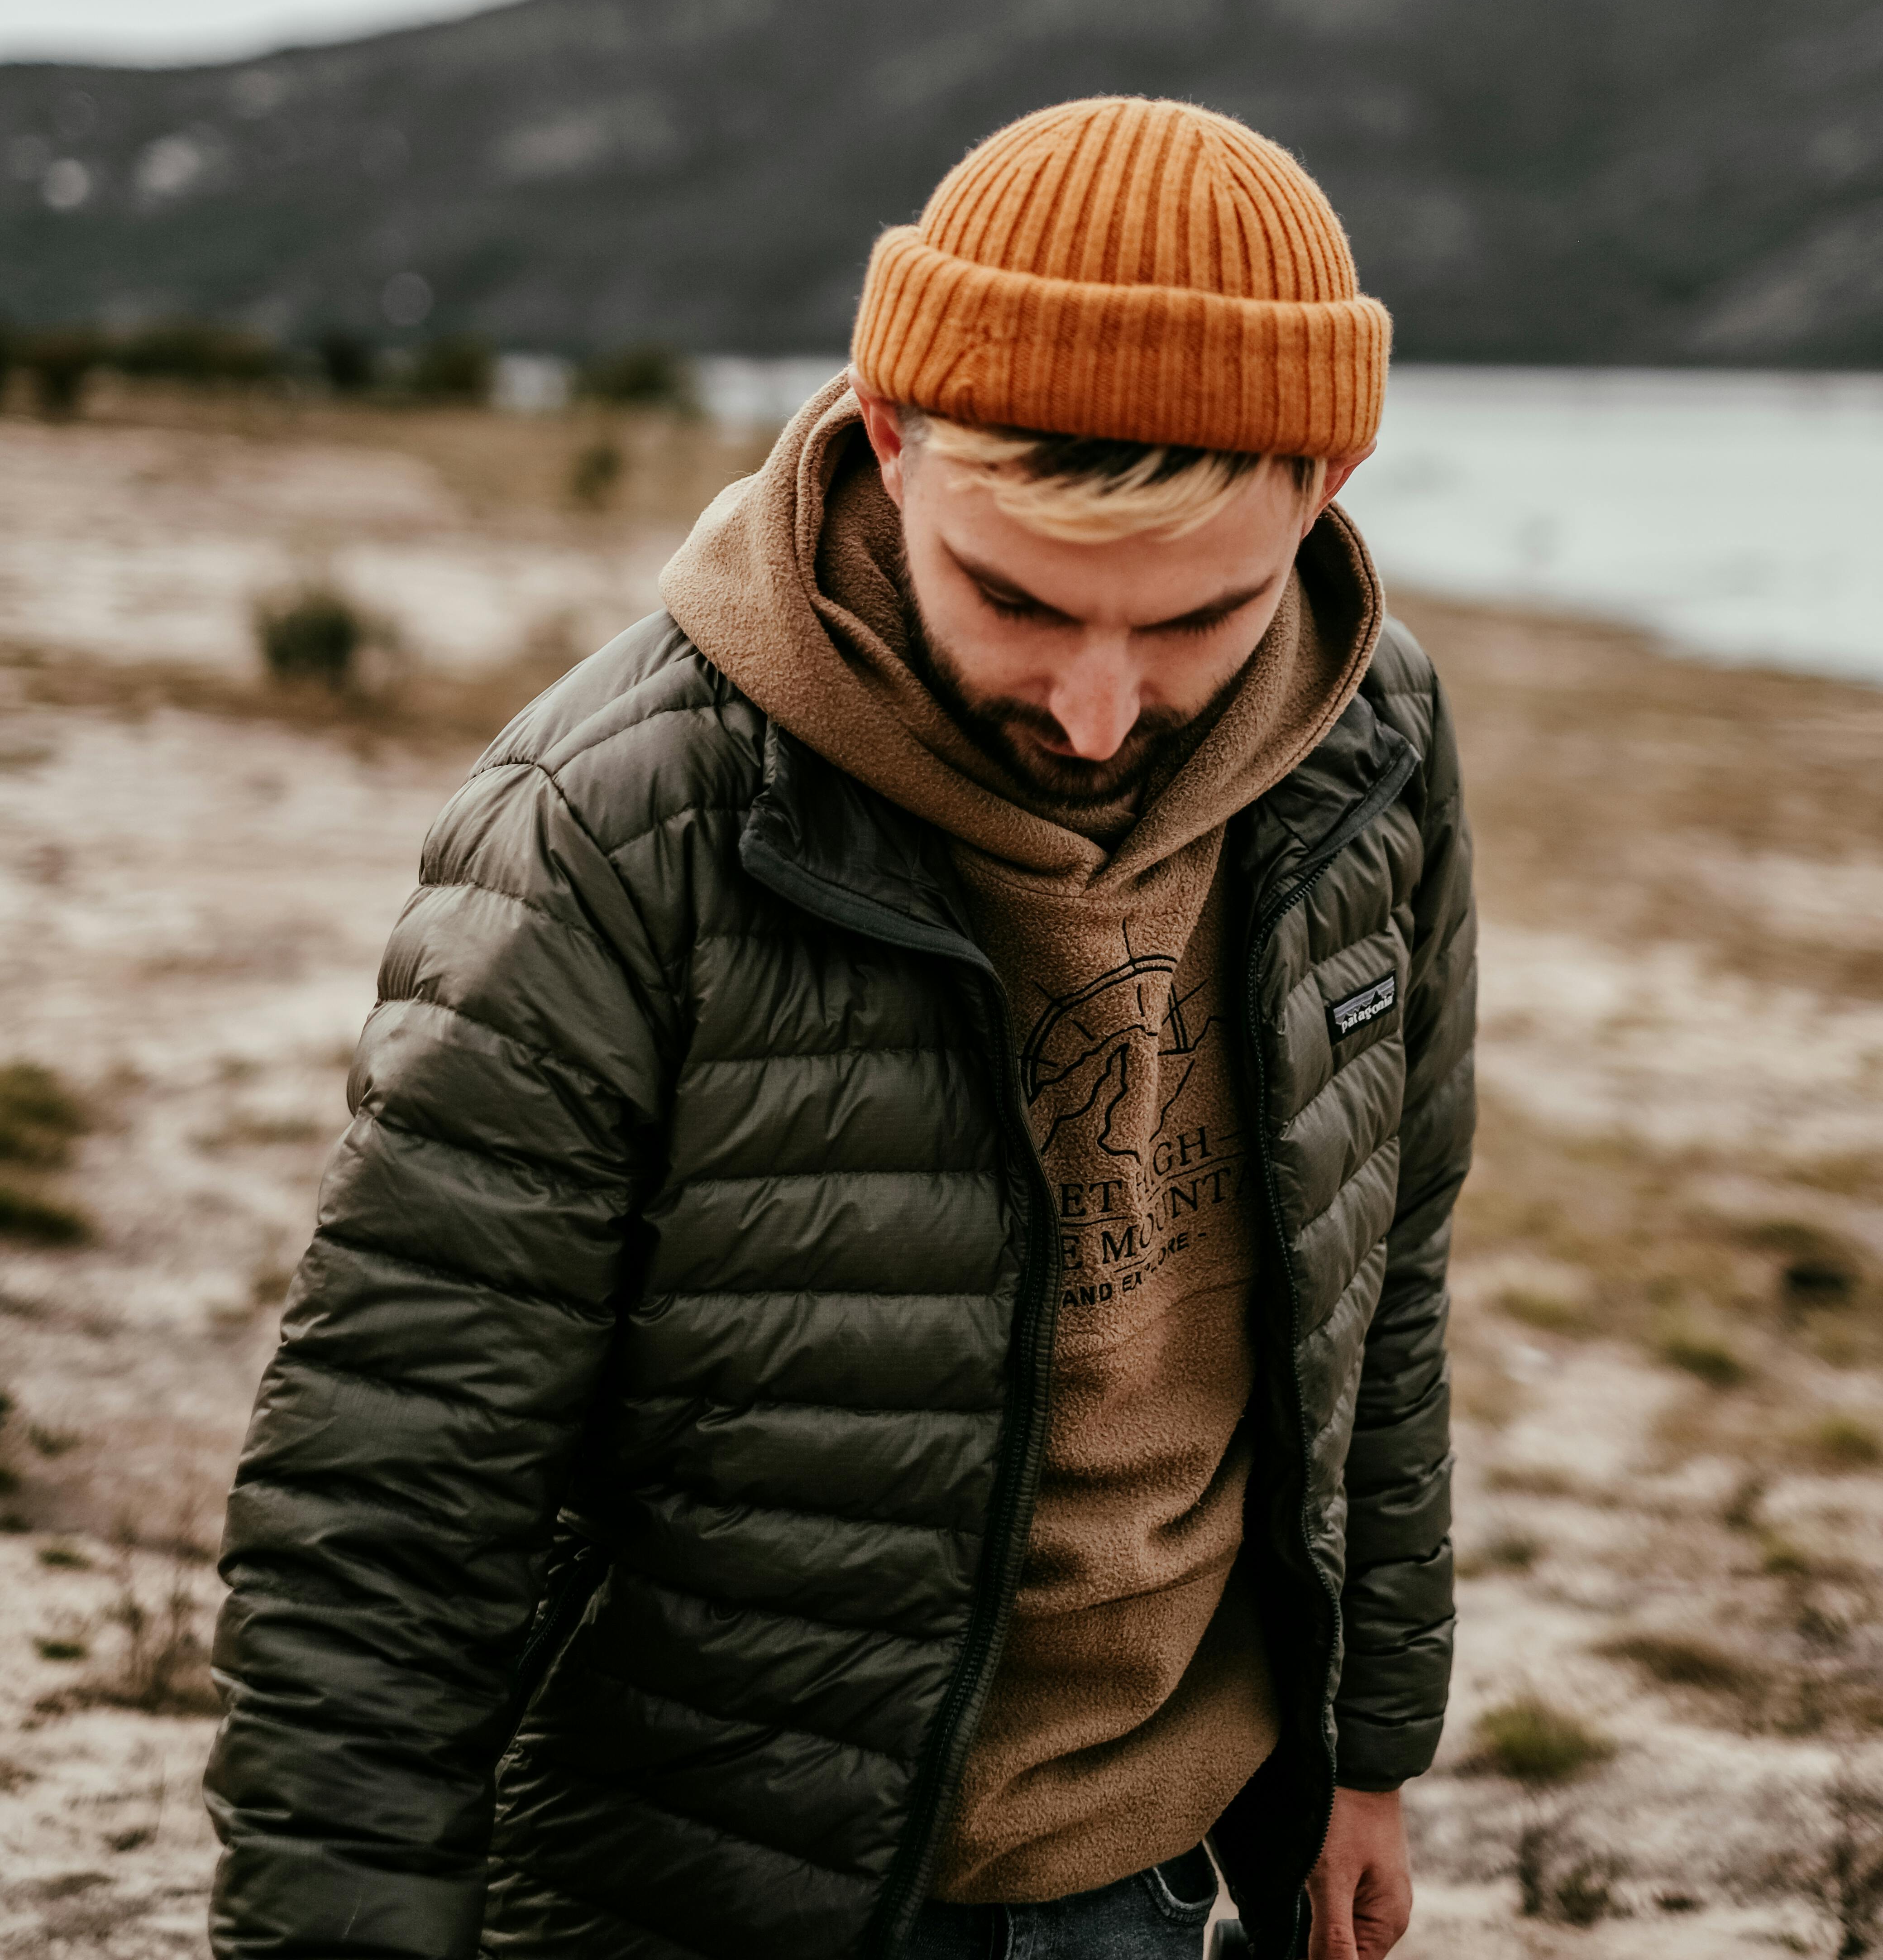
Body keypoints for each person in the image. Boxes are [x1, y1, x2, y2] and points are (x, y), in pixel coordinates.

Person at [205, 96, 1476, 1960]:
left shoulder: (1376, 746)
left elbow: (1387, 1279)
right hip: (713, 1885)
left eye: (1192, 621)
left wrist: (1368, 1750)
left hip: (1160, 1865)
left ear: (1326, 486)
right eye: (1019, 601)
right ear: (888, 434)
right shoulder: (613, 824)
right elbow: (392, 1488)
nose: (1101, 709)